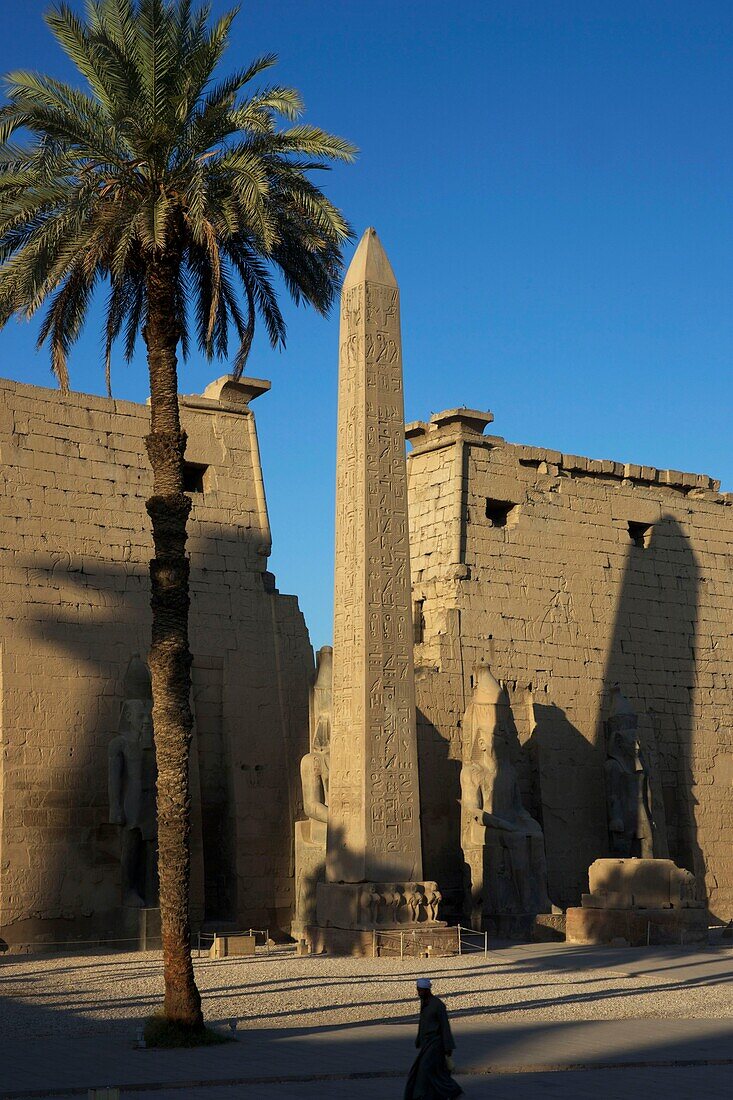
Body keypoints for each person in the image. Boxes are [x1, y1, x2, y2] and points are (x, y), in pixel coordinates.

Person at [404, 978, 463, 1100]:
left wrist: (448, 1047)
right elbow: (423, 1023)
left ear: (427, 990)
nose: (419, 993)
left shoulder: (438, 1005)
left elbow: (445, 1026)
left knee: (426, 1068)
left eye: (421, 991)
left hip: (436, 1044)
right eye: (418, 990)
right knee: (433, 1071)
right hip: (426, 1044)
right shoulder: (425, 1002)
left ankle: (453, 1090)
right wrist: (418, 1039)